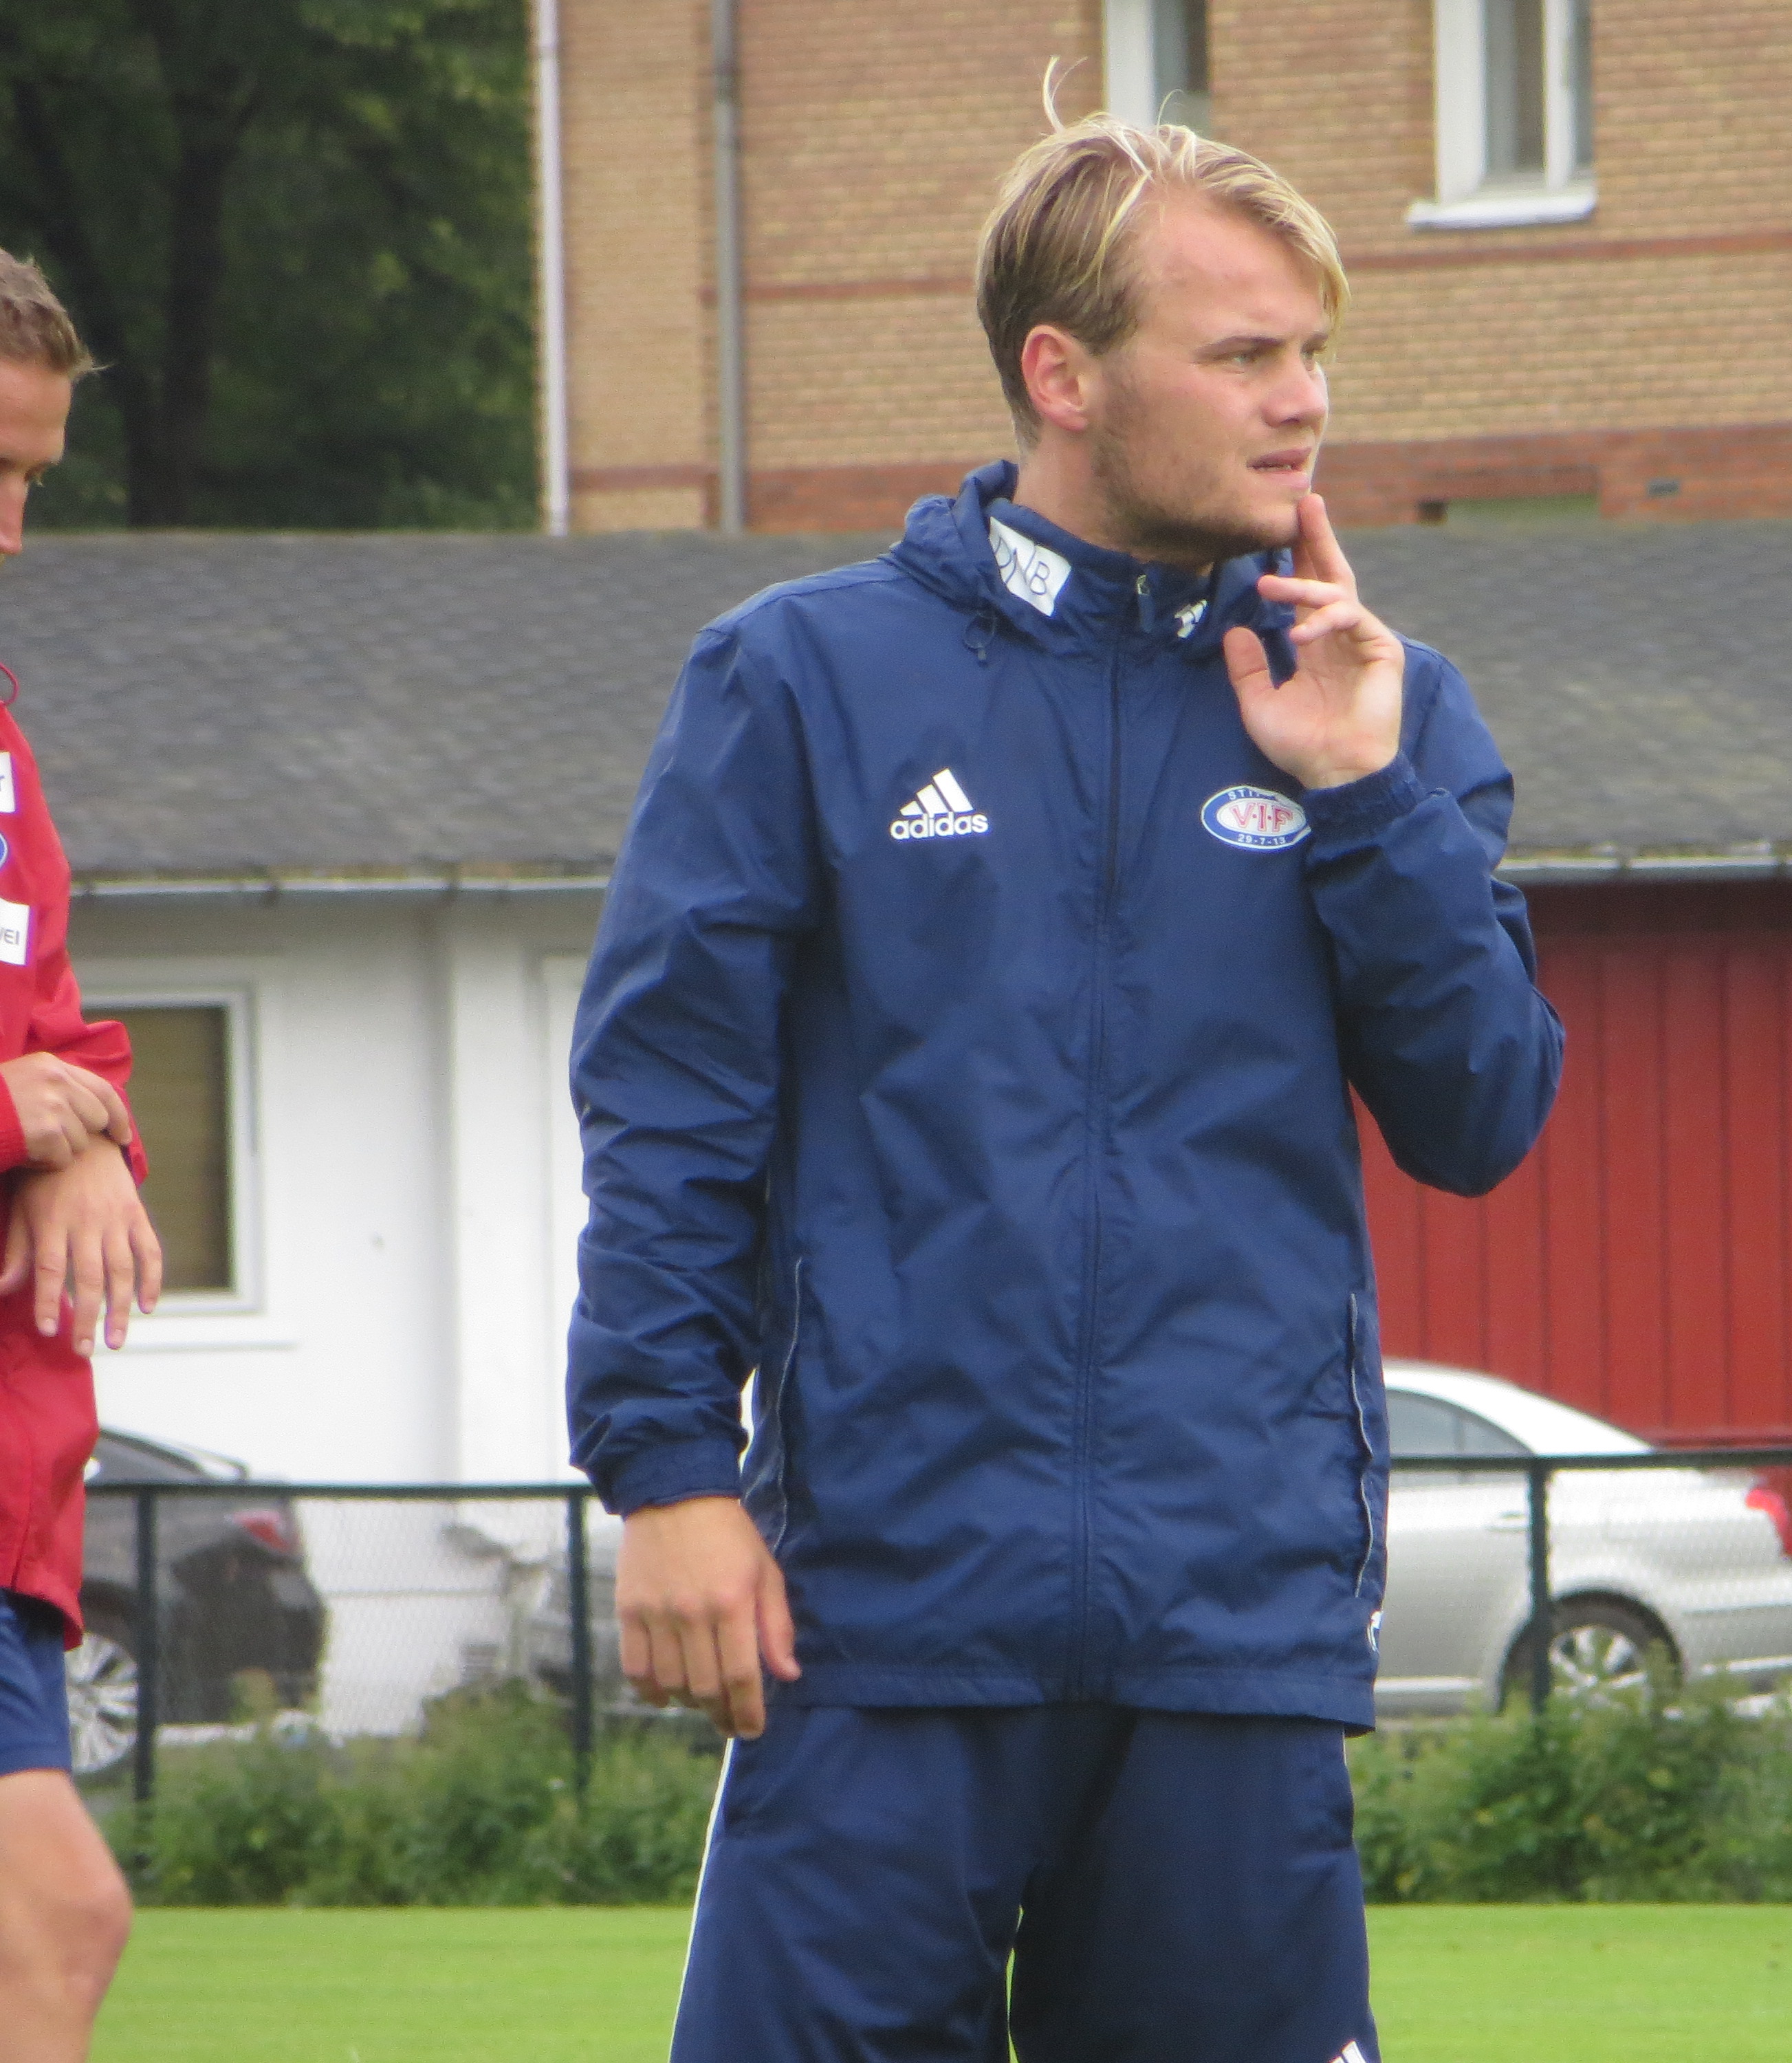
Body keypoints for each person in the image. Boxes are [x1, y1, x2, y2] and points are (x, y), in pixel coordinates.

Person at [568, 108, 1562, 2063]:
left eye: (1313, 353)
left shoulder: (1387, 704)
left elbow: (1482, 1116)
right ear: (1065, 376)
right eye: (1244, 354)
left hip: (1236, 1636)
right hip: (879, 1622)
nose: (1305, 406)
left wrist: (1361, 799)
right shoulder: (804, 681)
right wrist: (668, 1472)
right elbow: (673, 1111)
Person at [0, 250, 166, 2063]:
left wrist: (88, 1124)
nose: (16, 531)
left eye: (35, 478)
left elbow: (54, 1020)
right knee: (53, 1922)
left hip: (19, 1487)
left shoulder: (0, 734)